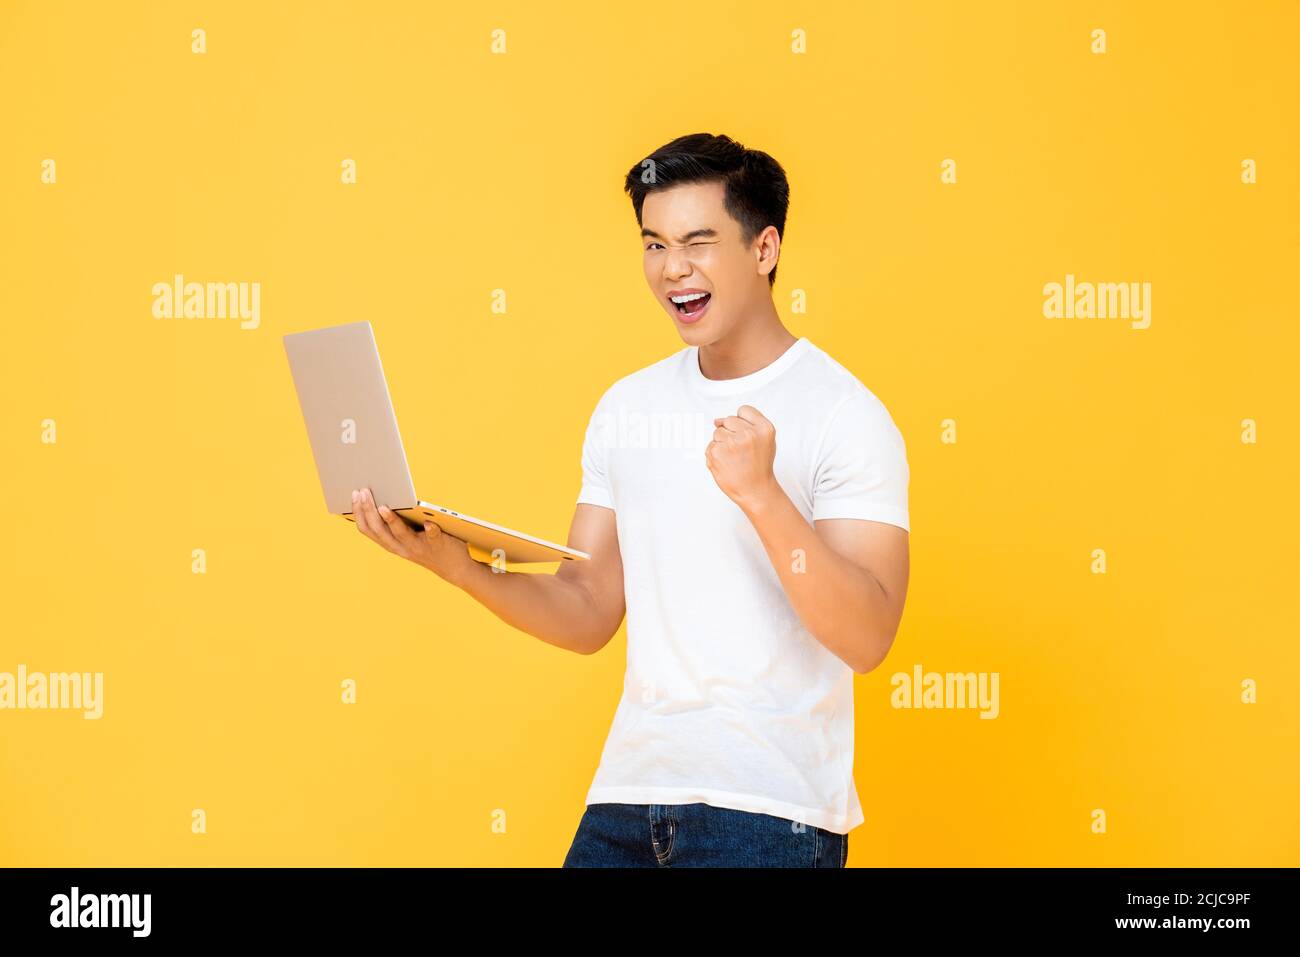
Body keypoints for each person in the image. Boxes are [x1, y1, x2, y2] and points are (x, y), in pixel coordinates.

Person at [349, 132, 910, 867]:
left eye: (698, 242)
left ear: (765, 249)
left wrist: (762, 495)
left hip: (769, 813)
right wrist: (454, 564)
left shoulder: (844, 412)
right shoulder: (627, 406)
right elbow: (587, 608)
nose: (673, 268)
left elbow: (867, 636)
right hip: (626, 798)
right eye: (654, 244)